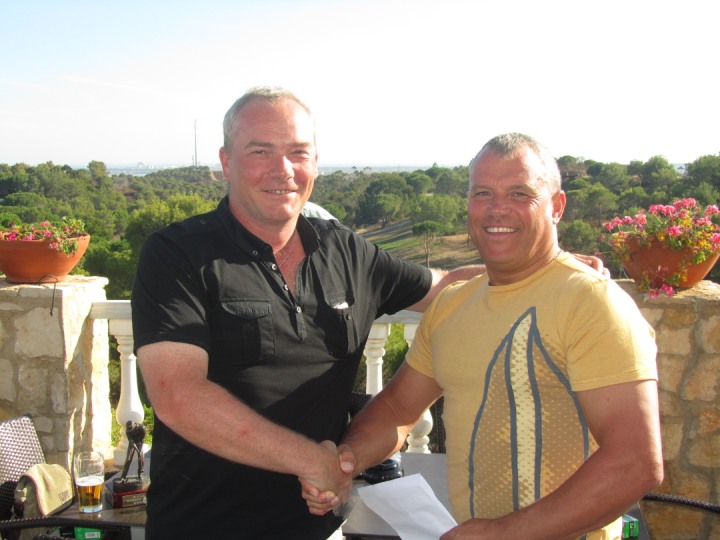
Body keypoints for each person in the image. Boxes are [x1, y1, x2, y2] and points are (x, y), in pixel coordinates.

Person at [131, 86, 491, 539]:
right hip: (202, 527)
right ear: (226, 163)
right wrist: (312, 461)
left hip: (320, 526)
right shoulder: (178, 254)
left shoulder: (347, 252)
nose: (283, 169)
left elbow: (444, 287)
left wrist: (546, 267)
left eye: (298, 152)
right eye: (260, 151)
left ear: (315, 162)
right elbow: (178, 396)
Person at [304, 133, 663, 540]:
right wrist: (347, 460)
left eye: (519, 193)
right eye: (482, 193)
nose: (496, 208)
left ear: (557, 206)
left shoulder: (590, 303)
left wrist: (502, 533)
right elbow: (397, 409)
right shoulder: (453, 304)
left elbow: (635, 462)